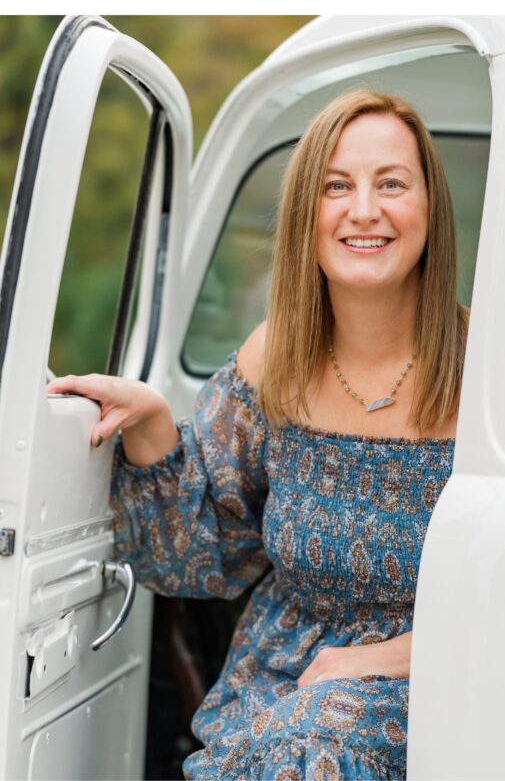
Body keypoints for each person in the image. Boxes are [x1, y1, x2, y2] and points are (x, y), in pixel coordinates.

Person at [51, 93, 464, 781]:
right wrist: (154, 423)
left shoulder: (492, 368)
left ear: (431, 209)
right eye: (337, 185)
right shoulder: (274, 357)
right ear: (307, 212)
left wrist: (384, 659)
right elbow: (204, 551)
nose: (365, 209)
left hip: (443, 688)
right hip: (279, 685)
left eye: (392, 182)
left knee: (318, 750)